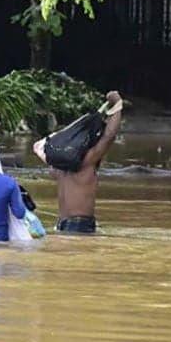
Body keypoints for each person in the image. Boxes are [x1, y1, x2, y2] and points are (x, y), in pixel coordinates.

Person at [49, 91, 123, 234]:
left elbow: (46, 151)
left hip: (62, 223)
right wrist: (118, 105)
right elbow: (109, 136)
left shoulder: (59, 164)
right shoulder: (87, 160)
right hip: (78, 224)